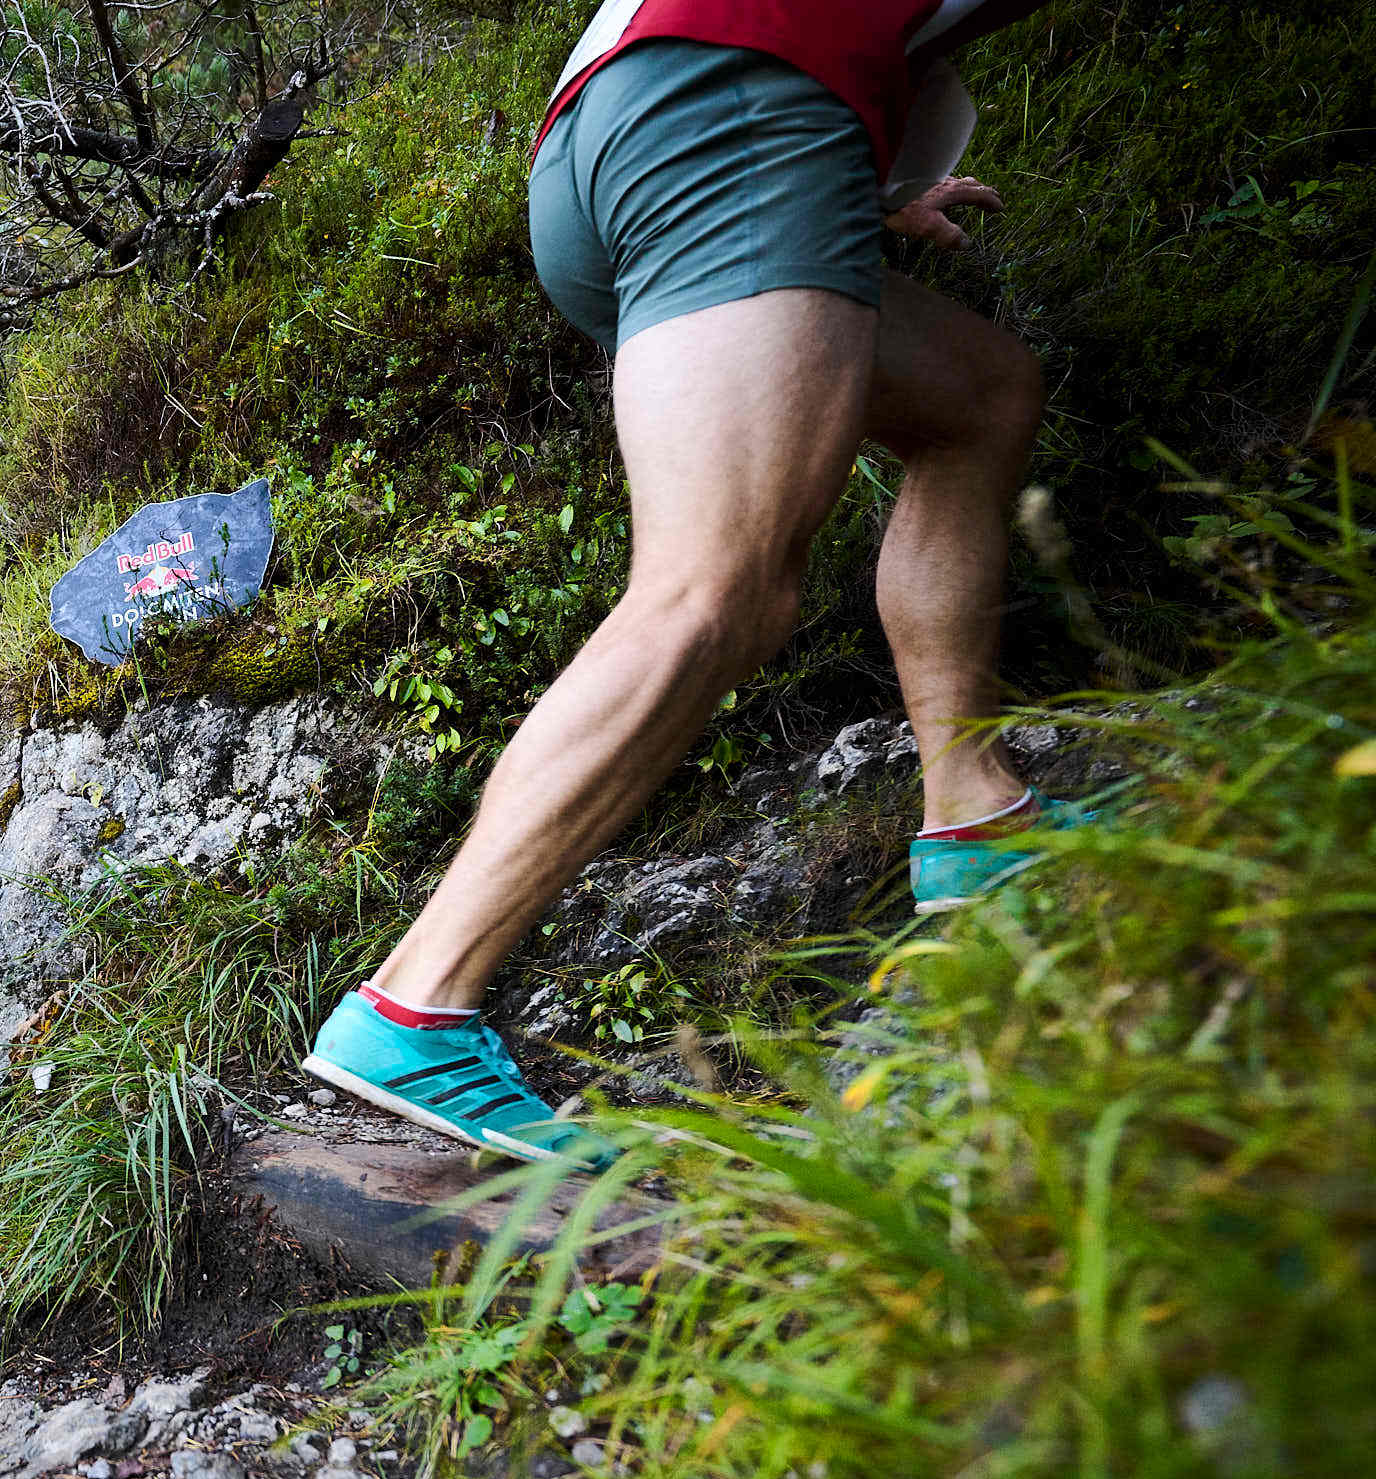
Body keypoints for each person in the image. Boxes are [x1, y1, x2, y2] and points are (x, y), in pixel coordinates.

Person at [305, 0, 1074, 1163]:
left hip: (638, 117)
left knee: (980, 395)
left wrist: (860, 184)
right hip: (734, 102)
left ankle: (974, 811)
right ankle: (414, 1005)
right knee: (715, 588)